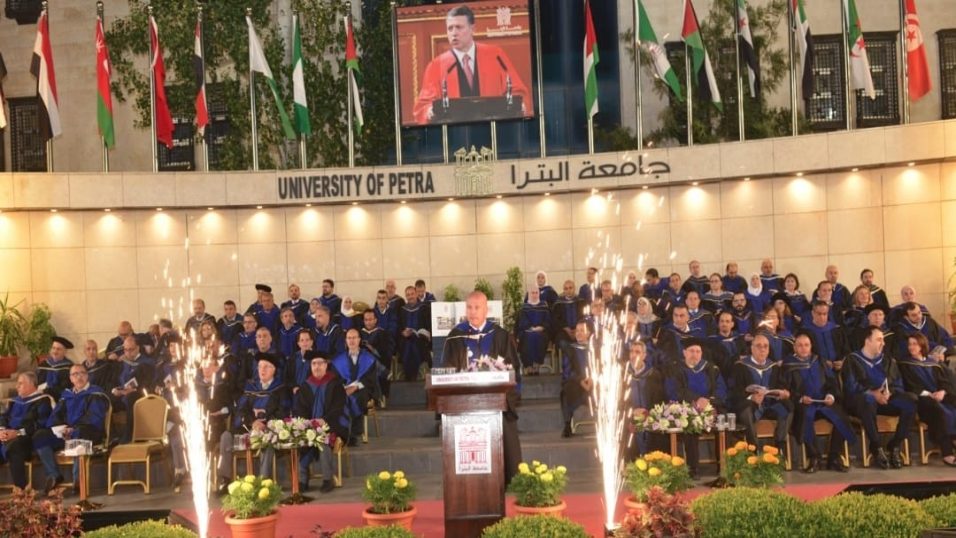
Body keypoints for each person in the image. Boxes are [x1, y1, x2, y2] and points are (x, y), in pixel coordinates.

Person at [442, 291, 522, 482]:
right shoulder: (455, 336)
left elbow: (513, 371)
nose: (473, 312)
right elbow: (447, 371)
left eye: (477, 307)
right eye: (469, 307)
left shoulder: (500, 336)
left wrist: (506, 396)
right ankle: (465, 483)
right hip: (464, 406)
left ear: (486, 310)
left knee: (506, 433)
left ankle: (504, 480)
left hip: (496, 405)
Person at [412, 4, 532, 124]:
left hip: (494, 127)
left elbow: (518, 92)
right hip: (455, 131)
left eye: (459, 27)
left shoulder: (495, 56)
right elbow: (423, 106)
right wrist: (430, 111)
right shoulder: (436, 65)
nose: (454, 33)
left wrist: (520, 105)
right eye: (450, 28)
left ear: (473, 29)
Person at [842, 327, 917, 469]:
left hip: (885, 400)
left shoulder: (888, 360)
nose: (883, 343)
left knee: (911, 400)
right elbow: (850, 386)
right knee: (868, 400)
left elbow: (898, 384)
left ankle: (895, 444)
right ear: (867, 341)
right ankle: (876, 447)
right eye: (879, 340)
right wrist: (872, 393)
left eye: (883, 340)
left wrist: (889, 392)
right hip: (861, 402)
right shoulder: (852, 360)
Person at [783, 333, 855, 473]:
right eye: (800, 345)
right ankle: (814, 457)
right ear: (794, 347)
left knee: (842, 418)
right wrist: (800, 398)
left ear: (811, 346)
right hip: (804, 404)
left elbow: (832, 382)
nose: (803, 348)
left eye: (806, 345)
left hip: (823, 402)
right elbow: (786, 389)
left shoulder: (819, 361)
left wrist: (830, 395)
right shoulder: (788, 365)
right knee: (805, 417)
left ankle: (834, 457)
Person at [217, 353, 289, 494]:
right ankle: (225, 480)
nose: (262, 370)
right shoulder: (251, 387)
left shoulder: (281, 389)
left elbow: (283, 412)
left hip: (269, 428)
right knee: (226, 436)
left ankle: (263, 483)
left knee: (267, 441)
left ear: (273, 369)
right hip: (248, 426)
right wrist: (252, 421)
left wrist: (265, 423)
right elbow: (241, 409)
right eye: (260, 366)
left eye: (266, 367)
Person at [34, 364, 108, 495]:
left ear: (87, 376)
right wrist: (61, 429)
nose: (79, 377)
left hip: (89, 432)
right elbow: (55, 416)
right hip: (66, 433)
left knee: (79, 434)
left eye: (82, 373)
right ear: (71, 378)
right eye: (75, 374)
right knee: (40, 436)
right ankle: (54, 475)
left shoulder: (96, 393)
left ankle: (78, 481)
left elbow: (94, 417)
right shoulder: (66, 395)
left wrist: (73, 429)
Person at [662, 339, 727, 478]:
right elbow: (673, 391)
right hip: (687, 408)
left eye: (698, 351)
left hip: (710, 407)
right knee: (690, 423)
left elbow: (721, 390)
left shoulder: (711, 369)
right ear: (684, 352)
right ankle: (693, 468)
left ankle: (723, 467)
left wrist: (708, 401)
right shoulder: (675, 369)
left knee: (725, 421)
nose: (695, 354)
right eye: (691, 351)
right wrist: (696, 399)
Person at [897, 333, 956, 466]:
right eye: (909, 344)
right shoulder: (905, 364)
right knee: (939, 411)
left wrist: (942, 391)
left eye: (915, 344)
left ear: (922, 345)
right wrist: (928, 394)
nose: (911, 347)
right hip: (922, 400)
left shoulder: (934, 364)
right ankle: (947, 453)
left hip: (938, 397)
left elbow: (946, 382)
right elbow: (908, 385)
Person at [294, 351, 349, 492]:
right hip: (310, 426)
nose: (317, 367)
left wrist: (324, 420)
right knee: (302, 440)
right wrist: (309, 423)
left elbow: (338, 408)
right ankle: (303, 480)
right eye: (314, 364)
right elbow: (300, 409)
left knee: (324, 440)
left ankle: (327, 480)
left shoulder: (335, 384)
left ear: (326, 365)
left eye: (320, 363)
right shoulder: (305, 386)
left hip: (331, 425)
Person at [730, 334, 793, 449]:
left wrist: (783, 393)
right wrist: (751, 397)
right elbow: (734, 392)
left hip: (770, 405)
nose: (762, 349)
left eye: (765, 346)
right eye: (758, 346)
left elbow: (781, 385)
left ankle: (779, 446)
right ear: (752, 348)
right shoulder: (740, 366)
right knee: (746, 409)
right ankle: (754, 448)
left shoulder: (773, 367)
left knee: (788, 406)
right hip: (752, 406)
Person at [0, 372, 53, 489]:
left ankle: (21, 489)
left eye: (20, 383)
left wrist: (17, 433)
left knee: (13, 446)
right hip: (8, 436)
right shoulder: (14, 402)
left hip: (28, 439)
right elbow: (4, 417)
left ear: (31, 384)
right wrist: (2, 430)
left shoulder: (43, 401)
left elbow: (41, 424)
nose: (17, 386)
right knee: (9, 444)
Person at [331, 329, 380, 447]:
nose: (351, 340)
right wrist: (344, 388)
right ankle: (342, 432)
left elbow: (370, 379)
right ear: (346, 341)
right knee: (340, 397)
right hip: (344, 389)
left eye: (354, 338)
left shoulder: (368, 358)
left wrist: (355, 386)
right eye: (349, 338)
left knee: (356, 397)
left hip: (364, 388)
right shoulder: (339, 360)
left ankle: (353, 433)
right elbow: (335, 379)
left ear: (359, 340)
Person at [112, 335, 156, 442]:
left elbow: (148, 383)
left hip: (138, 393)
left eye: (131, 349)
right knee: (106, 399)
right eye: (125, 350)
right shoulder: (122, 362)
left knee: (131, 398)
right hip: (122, 393)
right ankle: (112, 437)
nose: (128, 353)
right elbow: (116, 379)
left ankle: (129, 436)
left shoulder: (146, 363)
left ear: (138, 348)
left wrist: (133, 390)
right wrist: (116, 389)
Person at [625, 341, 663, 460]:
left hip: (650, 419)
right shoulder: (622, 375)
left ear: (644, 355)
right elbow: (619, 401)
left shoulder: (653, 375)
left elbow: (659, 399)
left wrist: (648, 412)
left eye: (637, 352)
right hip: (628, 420)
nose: (634, 355)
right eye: (632, 352)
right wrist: (632, 412)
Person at [560, 321, 592, 438]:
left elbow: (602, 367)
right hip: (576, 383)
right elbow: (567, 370)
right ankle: (567, 424)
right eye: (577, 331)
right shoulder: (570, 349)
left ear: (588, 333)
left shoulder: (596, 349)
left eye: (582, 330)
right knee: (566, 390)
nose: (578, 333)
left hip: (595, 383)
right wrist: (580, 380)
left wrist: (593, 379)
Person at [802, 301, 850, 372]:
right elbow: (804, 353)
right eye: (819, 314)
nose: (822, 317)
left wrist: (842, 361)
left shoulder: (836, 329)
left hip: (839, 369)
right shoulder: (805, 332)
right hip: (817, 370)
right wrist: (821, 362)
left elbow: (846, 349)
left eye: (825, 314)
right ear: (813, 313)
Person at [398, 286, 431, 381]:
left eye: (412, 294)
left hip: (421, 340)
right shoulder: (402, 310)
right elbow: (399, 327)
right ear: (406, 296)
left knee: (417, 348)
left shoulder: (424, 308)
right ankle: (408, 379)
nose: (410, 296)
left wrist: (424, 333)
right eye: (408, 295)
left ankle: (419, 379)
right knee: (406, 348)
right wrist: (403, 333)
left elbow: (429, 325)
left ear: (416, 294)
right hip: (406, 340)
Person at [361, 309, 394, 400]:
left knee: (368, 356)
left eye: (370, 319)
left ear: (375, 320)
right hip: (362, 362)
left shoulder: (382, 333)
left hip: (379, 359)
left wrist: (372, 349)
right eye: (366, 320)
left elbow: (387, 351)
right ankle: (384, 371)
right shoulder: (359, 333)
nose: (368, 322)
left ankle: (378, 398)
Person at [517, 288, 551, 374]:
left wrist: (542, 327)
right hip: (527, 331)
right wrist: (531, 327)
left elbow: (548, 320)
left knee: (539, 337)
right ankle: (528, 366)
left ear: (539, 294)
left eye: (536, 293)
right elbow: (522, 321)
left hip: (541, 331)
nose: (534, 295)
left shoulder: (544, 306)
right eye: (532, 293)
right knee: (528, 338)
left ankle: (536, 365)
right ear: (529, 294)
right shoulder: (524, 307)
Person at [37, 336, 75, 400]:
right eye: (53, 348)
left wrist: (47, 391)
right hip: (41, 398)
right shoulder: (43, 365)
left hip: (61, 399)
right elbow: (37, 382)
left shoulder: (69, 367)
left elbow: (66, 388)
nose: (55, 351)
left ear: (65, 352)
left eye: (58, 349)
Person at [285, 330, 317, 394]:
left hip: (311, 394)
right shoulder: (292, 358)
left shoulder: (317, 359)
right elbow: (286, 377)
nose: (305, 343)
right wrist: (293, 387)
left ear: (312, 342)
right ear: (298, 343)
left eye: (307, 340)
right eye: (302, 340)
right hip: (294, 393)